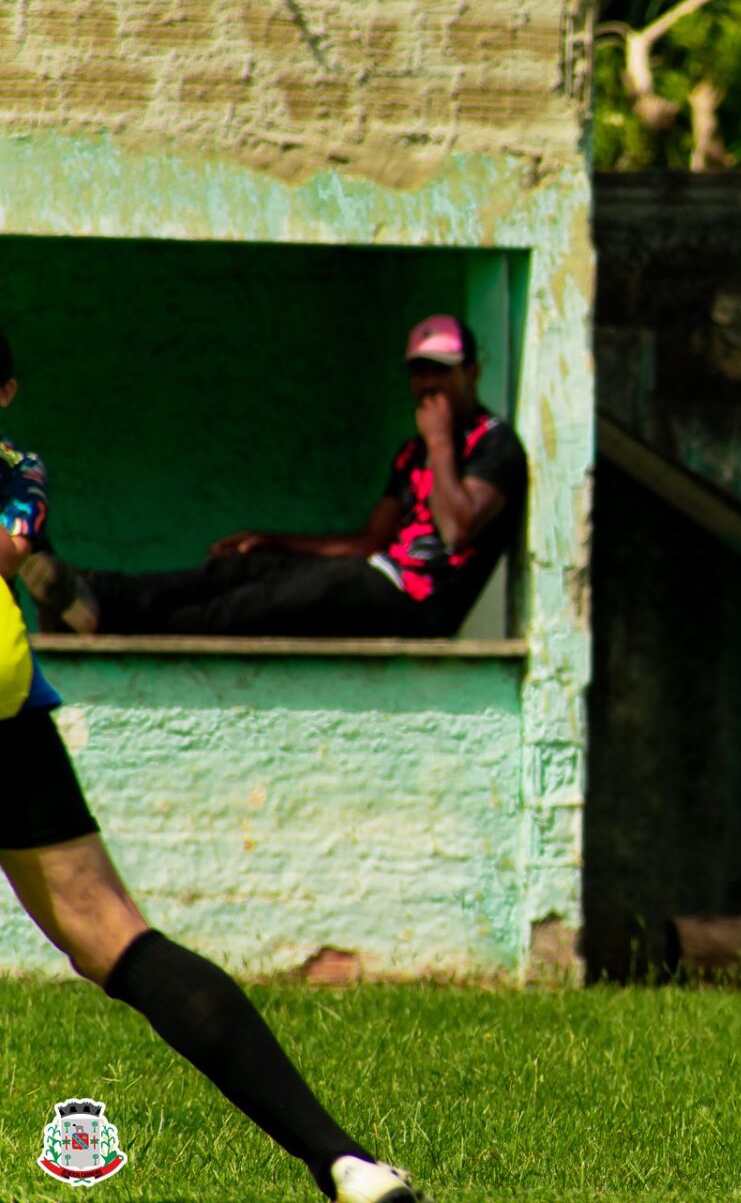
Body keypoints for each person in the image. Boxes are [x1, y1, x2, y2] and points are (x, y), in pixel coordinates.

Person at [0, 328, 419, 1203]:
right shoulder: (18, 464)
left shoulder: (16, 469)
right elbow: (18, 545)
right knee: (119, 938)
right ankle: (345, 1163)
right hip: (5, 701)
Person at [25, 314, 526, 639]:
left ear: (473, 374)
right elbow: (373, 539)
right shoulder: (411, 453)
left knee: (264, 604)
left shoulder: (494, 444)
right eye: (420, 372)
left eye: (442, 370)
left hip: (417, 607)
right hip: (375, 575)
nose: (429, 384)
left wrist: (440, 443)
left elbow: (459, 529)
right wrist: (276, 543)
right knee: (243, 570)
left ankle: (116, 625)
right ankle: (93, 593)